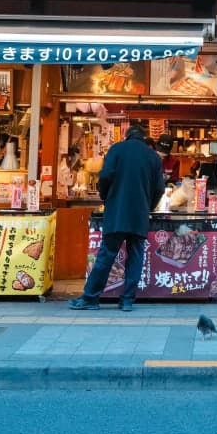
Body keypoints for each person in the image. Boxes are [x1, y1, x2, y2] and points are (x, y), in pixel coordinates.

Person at [70, 123, 165, 312]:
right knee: (136, 256)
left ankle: (91, 298)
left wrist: (107, 197)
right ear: (144, 137)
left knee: (106, 255)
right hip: (139, 215)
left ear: (126, 136)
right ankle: (127, 300)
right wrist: (148, 206)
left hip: (117, 212)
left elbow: (105, 176)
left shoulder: (117, 150)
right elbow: (159, 189)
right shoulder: (153, 157)